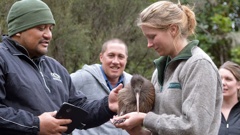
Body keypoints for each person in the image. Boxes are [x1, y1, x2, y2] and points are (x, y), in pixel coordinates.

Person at [0, 0, 122, 135]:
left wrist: (108, 106)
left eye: (50, 29)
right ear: (18, 30)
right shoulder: (3, 58)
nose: (48, 35)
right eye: (41, 28)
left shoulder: (55, 68)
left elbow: (80, 111)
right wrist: (36, 124)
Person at [111, 1, 223, 135]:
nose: (149, 44)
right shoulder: (159, 70)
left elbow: (194, 128)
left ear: (173, 29)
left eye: (152, 37)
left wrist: (145, 118)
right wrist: (136, 130)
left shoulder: (198, 65)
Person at [71, 38, 132, 135]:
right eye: (111, 55)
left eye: (121, 57)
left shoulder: (132, 84)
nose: (116, 61)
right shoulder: (82, 77)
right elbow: (57, 94)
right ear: (101, 57)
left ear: (126, 60)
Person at [218, 61, 240, 135]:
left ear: (238, 84)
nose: (223, 83)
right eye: (220, 79)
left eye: (228, 79)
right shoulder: (210, 112)